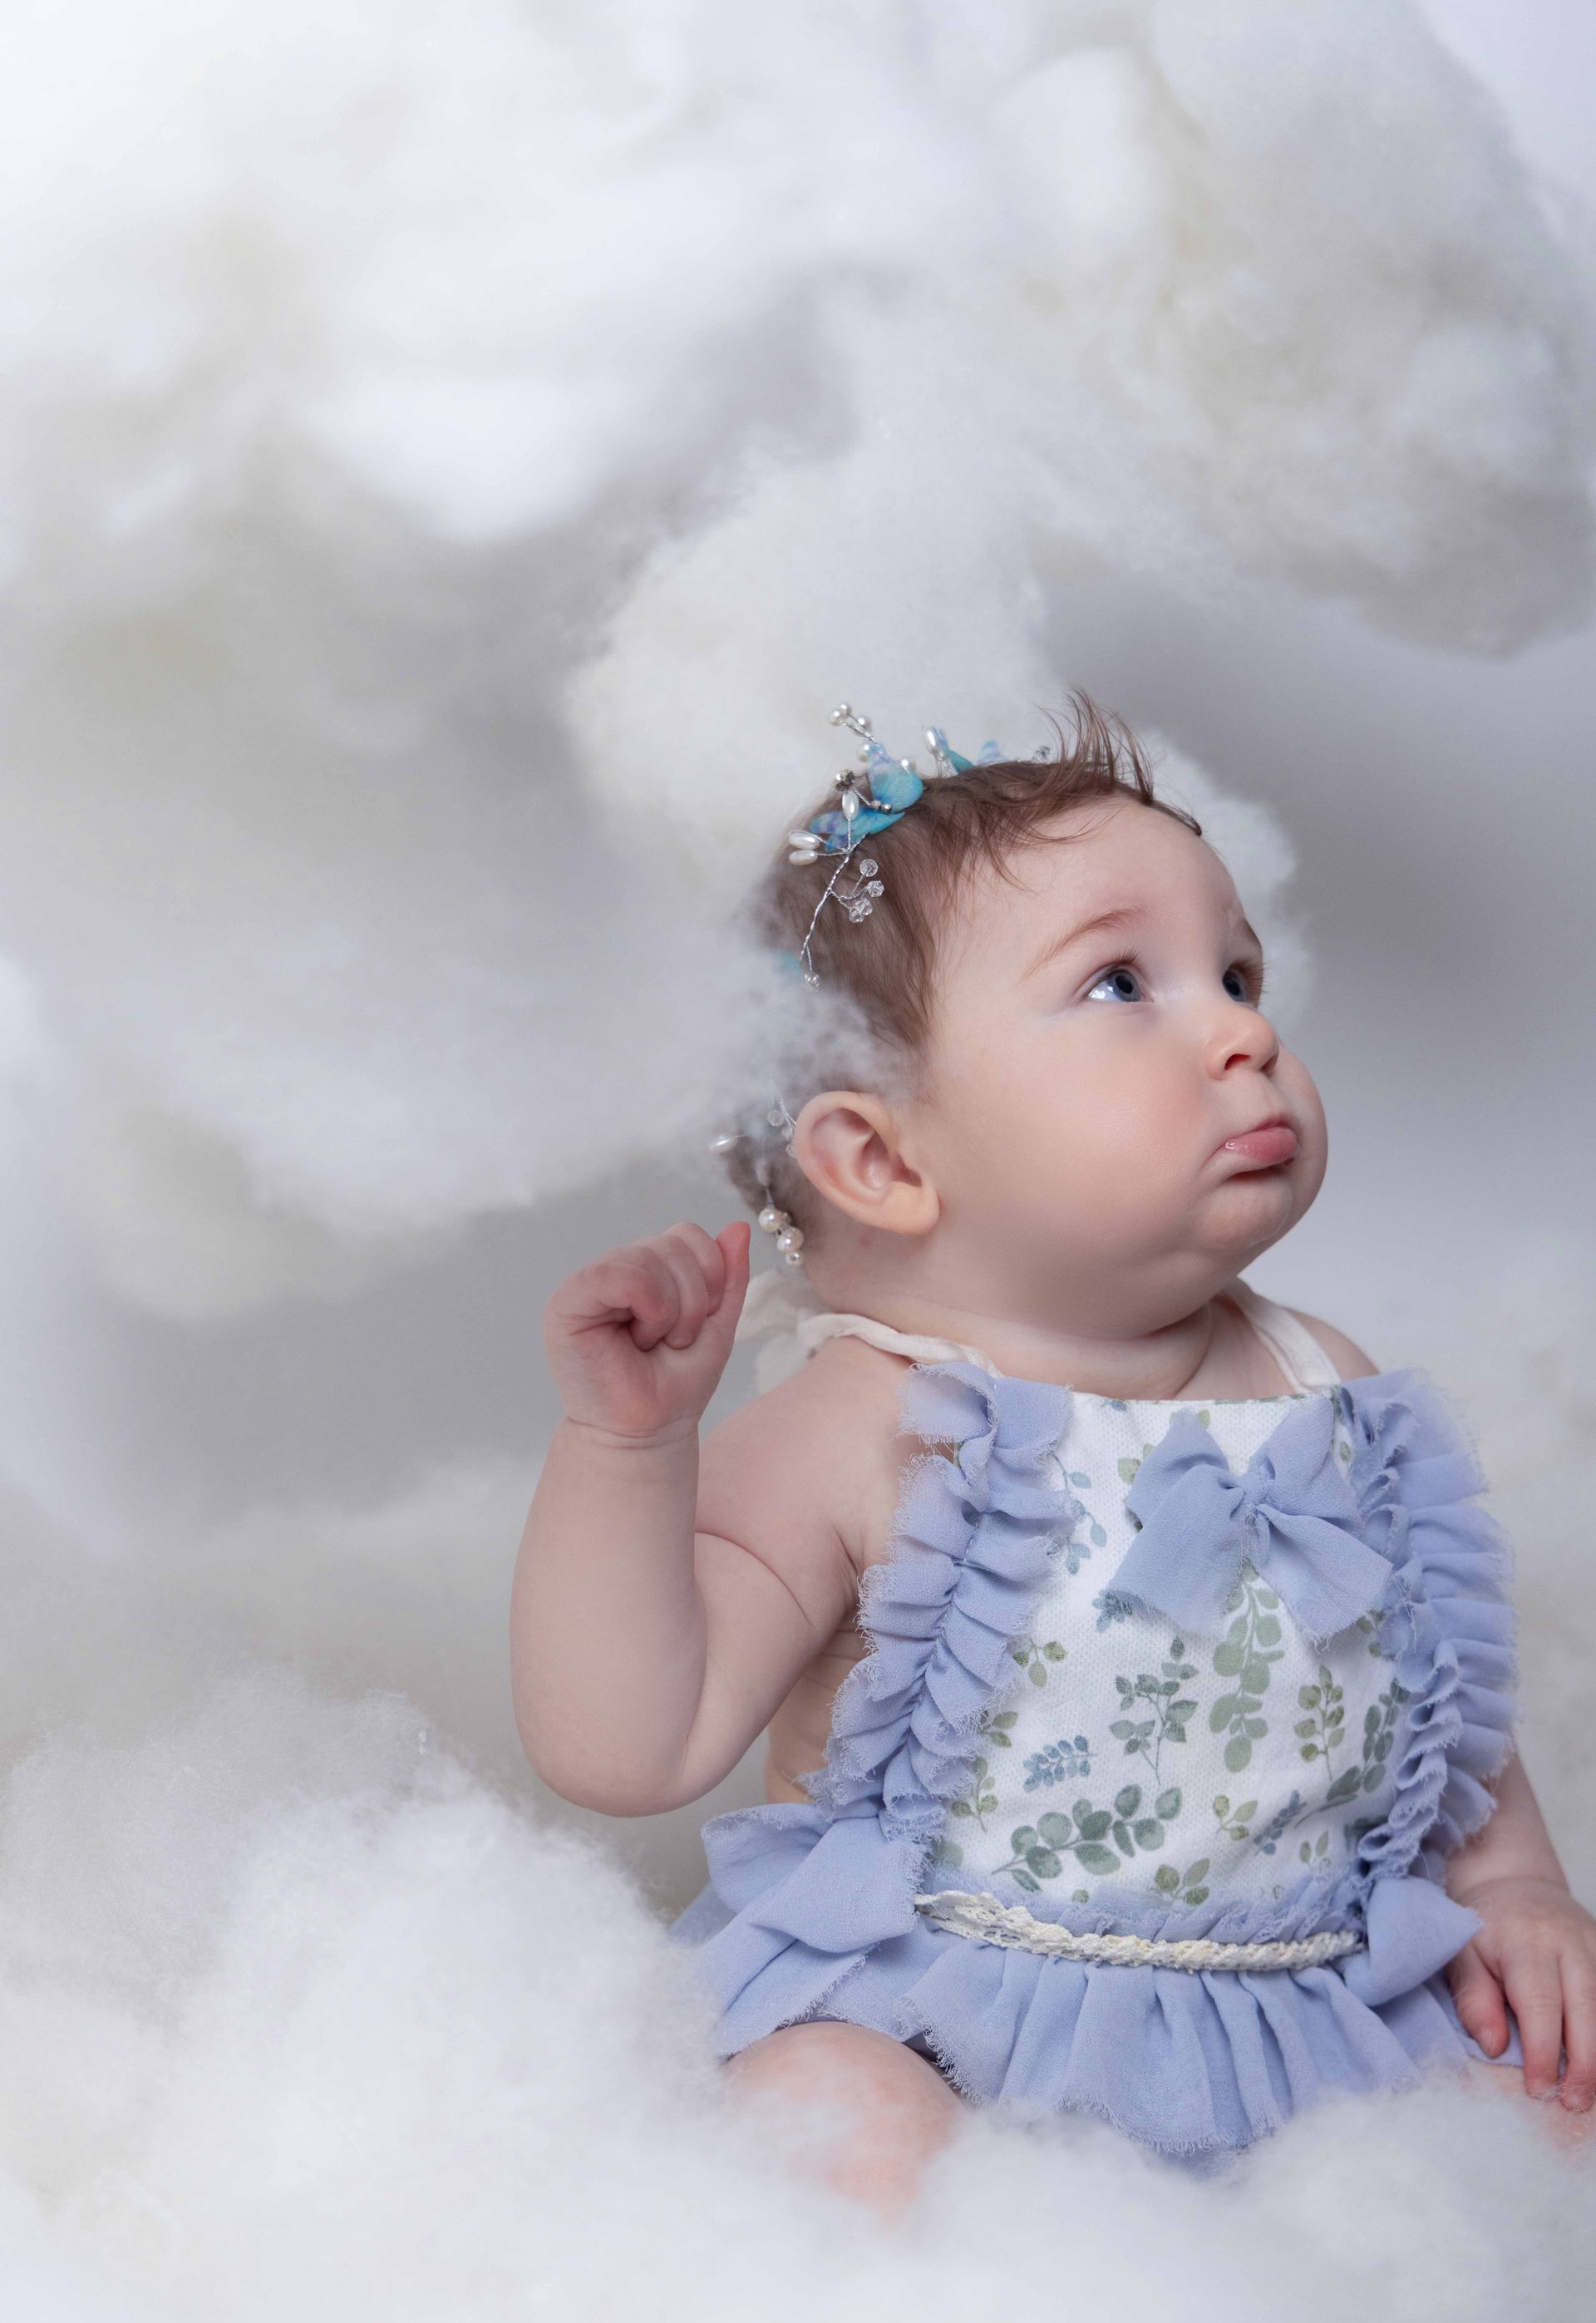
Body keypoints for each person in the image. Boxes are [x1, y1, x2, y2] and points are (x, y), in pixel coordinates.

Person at [512, 698, 1596, 2215]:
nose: (1245, 1028)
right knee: (828, 2117)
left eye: (1235, 971)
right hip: (954, 2030)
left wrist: (1520, 1894)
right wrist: (627, 1450)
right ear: (882, 1161)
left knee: (1546, 2111)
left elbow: (1425, 1708)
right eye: (1118, 982)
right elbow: (630, 1746)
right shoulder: (863, 1421)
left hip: (1309, 2016)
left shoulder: (1319, 1378)